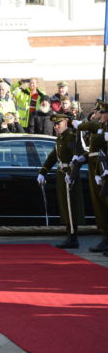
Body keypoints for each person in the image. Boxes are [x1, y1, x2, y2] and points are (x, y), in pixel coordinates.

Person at [37, 114, 85, 249]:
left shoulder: (70, 136)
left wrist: (72, 176)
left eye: (58, 123)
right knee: (65, 206)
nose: (56, 126)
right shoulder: (60, 139)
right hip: (61, 176)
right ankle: (69, 235)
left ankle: (73, 237)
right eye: (54, 124)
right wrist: (43, 171)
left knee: (71, 207)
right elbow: (53, 157)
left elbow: (77, 158)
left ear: (66, 122)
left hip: (69, 175)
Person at [78, 104, 108, 253]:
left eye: (101, 112)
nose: (98, 114)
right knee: (99, 205)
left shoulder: (101, 128)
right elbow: (95, 151)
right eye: (98, 112)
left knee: (105, 203)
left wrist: (82, 124)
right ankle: (105, 236)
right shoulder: (100, 128)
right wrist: (81, 159)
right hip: (96, 169)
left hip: (104, 170)